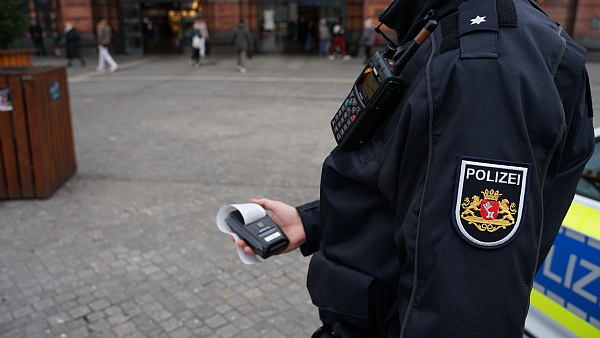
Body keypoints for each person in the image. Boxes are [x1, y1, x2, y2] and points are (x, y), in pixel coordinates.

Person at [236, 0, 595, 336]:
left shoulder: (485, 64)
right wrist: (312, 221)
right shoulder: (447, 23)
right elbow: (414, 179)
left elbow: (462, 311)